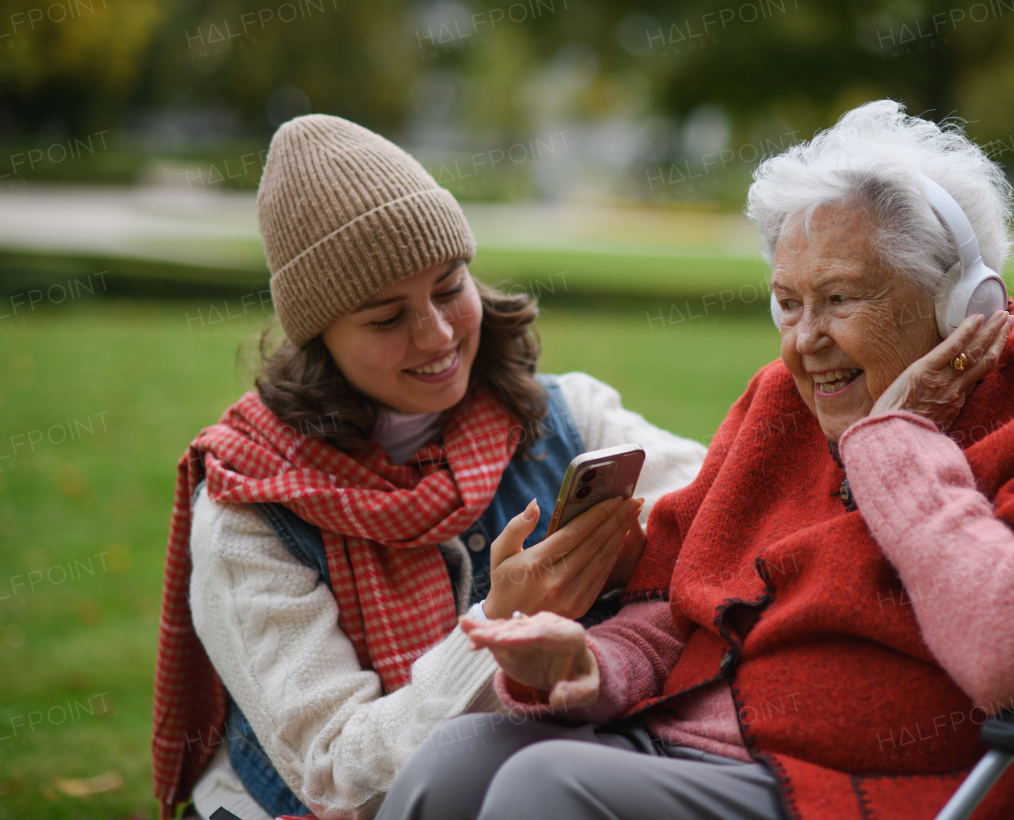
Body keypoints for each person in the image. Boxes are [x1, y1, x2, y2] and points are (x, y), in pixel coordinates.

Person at [376, 100, 1014, 820]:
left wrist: (899, 446)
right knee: (454, 758)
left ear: (956, 297)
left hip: (907, 785)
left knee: (544, 787)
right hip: (709, 744)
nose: (805, 343)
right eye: (786, 302)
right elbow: (681, 612)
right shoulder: (780, 404)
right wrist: (584, 665)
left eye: (838, 299)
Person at [149, 114, 707, 820]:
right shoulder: (248, 506)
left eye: (449, 287)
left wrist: (650, 556)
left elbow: (734, 513)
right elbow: (335, 775)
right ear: (319, 337)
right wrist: (499, 625)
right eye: (387, 318)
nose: (438, 334)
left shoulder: (568, 415)